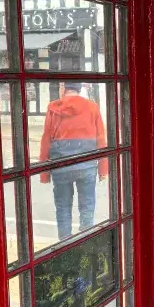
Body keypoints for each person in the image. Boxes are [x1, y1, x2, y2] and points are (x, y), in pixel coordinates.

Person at [38, 81, 108, 241]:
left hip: (61, 166)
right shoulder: (92, 107)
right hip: (87, 166)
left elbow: (46, 139)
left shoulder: (53, 108)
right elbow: (101, 139)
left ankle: (65, 244)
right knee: (87, 207)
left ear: (63, 88)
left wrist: (44, 173)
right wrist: (103, 169)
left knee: (63, 208)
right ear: (79, 89)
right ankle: (86, 242)